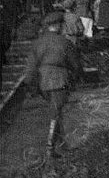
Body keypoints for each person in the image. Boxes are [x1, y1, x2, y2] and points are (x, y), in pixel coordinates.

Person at [24, 11, 82, 158]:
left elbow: (31, 67)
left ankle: (62, 145)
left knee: (56, 112)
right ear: (58, 26)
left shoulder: (38, 43)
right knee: (55, 114)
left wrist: (30, 85)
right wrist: (76, 78)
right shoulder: (65, 42)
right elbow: (75, 64)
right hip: (59, 80)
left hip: (43, 82)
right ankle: (50, 148)